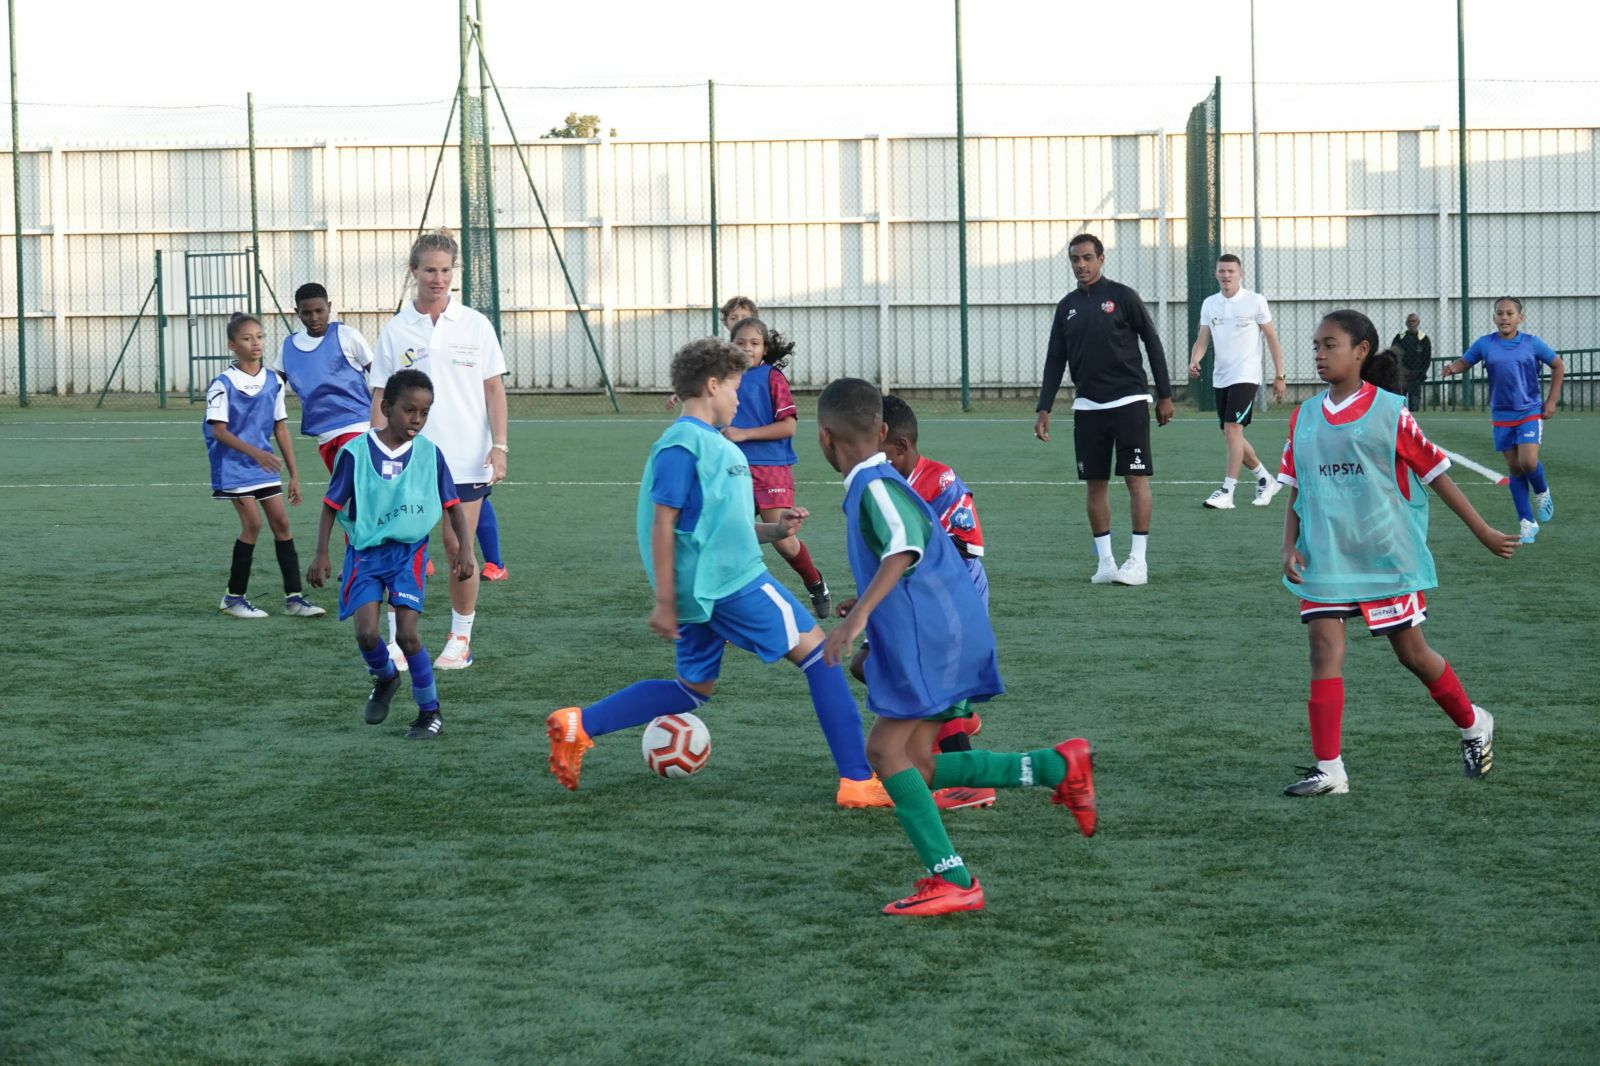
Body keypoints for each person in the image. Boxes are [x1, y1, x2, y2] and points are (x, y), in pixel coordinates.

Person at [544, 337, 890, 809]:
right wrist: (665, 600)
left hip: (706, 588)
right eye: (734, 387)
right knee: (822, 659)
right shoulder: (683, 444)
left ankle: (579, 724)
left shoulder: (709, 444)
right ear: (711, 385)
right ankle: (856, 780)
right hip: (730, 584)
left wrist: (772, 530)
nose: (739, 399)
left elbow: (710, 527)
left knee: (692, 690)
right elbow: (663, 522)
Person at [817, 377, 1096, 916]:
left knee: (882, 753)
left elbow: (904, 546)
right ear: (880, 431)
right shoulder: (883, 480)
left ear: (826, 439)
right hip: (947, 629)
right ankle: (1053, 767)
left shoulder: (872, 486)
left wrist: (860, 620)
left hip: (932, 638)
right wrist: (868, 600)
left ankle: (955, 880)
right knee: (916, 764)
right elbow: (907, 557)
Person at [1278, 310, 1518, 798]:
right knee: (1323, 650)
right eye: (1316, 346)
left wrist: (1483, 531)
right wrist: (1288, 544)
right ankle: (1331, 771)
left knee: (1413, 654)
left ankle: (1474, 723)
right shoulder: (1303, 416)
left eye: (1330, 345)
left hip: (1384, 558)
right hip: (1325, 558)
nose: (1319, 354)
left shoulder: (1390, 411)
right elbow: (1297, 487)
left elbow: (1437, 474)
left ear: (1361, 351)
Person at [306, 370, 474, 740]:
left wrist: (465, 548)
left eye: (424, 412)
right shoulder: (355, 452)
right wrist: (321, 553)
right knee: (367, 635)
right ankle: (385, 678)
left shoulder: (430, 454)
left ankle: (430, 712)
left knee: (408, 636)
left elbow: (452, 504)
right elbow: (331, 504)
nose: (416, 419)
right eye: (409, 410)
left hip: (408, 555)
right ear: (386, 408)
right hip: (364, 555)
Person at [371, 230, 508, 670]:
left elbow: (494, 390)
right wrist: (378, 452)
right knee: (402, 547)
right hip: (408, 458)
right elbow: (380, 398)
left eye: (446, 270)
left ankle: (460, 638)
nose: (438, 278)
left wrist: (499, 446)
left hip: (466, 456)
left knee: (456, 548)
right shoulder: (395, 330)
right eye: (429, 269)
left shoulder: (475, 324)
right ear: (413, 271)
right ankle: (398, 641)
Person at [860, 393, 994, 812]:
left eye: (875, 450)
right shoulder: (885, 485)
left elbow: (962, 551)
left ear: (899, 445)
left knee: (931, 679)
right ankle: (955, 717)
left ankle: (971, 780)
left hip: (955, 601)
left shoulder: (940, 482)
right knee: (864, 664)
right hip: (915, 601)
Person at [1034, 233, 1173, 586]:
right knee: (1095, 484)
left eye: (1086, 258)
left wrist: (1165, 394)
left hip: (1129, 401)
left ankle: (1138, 563)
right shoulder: (1066, 306)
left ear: (1101, 259)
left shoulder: (1123, 297)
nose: (1080, 265)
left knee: (1135, 479)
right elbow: (1055, 358)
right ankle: (1107, 563)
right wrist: (1044, 407)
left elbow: (1152, 341)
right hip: (1087, 406)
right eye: (1074, 260)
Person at [203, 312, 324, 620]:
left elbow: (280, 427)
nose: (255, 343)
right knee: (253, 525)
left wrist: (295, 475)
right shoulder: (223, 384)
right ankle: (232, 598)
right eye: (246, 338)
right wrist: (257, 454)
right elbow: (218, 430)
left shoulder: (272, 381)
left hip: (263, 467)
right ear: (232, 345)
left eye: (259, 336)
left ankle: (294, 598)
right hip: (233, 467)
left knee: (282, 524)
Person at [725, 317, 831, 617]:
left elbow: (788, 427)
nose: (747, 348)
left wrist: (744, 433)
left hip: (771, 467)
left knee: (783, 541)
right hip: (733, 468)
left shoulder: (772, 378)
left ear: (764, 348)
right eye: (740, 343)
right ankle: (732, 613)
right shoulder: (722, 378)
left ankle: (814, 582)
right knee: (733, 537)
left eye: (754, 343)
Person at [1442, 297, 1564, 544]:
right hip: (1501, 415)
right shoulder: (1485, 344)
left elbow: (1558, 365)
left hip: (1529, 411)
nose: (1504, 318)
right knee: (1515, 469)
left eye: (1510, 313)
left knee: (1528, 462)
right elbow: (1467, 361)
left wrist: (1551, 401)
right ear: (1494, 317)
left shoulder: (1532, 343)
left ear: (1521, 317)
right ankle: (1527, 522)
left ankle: (1541, 491)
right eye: (1500, 313)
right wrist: (1453, 368)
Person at [1188, 253, 1287, 510]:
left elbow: (1272, 338)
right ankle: (1265, 478)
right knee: (1231, 434)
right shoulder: (1210, 304)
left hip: (1246, 375)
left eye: (1231, 271)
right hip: (1221, 377)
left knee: (1233, 429)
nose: (1226, 275)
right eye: (1222, 271)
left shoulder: (1255, 301)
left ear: (1240, 274)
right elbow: (1203, 338)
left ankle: (1227, 492)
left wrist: (1280, 375)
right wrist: (1195, 359)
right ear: (1216, 274)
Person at [1391, 312, 1433, 411]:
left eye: (1414, 321)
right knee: (1399, 402)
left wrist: (1422, 372)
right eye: (1409, 321)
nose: (1411, 323)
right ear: (1406, 323)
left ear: (1418, 322)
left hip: (1416, 375)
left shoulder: (1423, 339)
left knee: (1415, 402)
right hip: (1401, 375)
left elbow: (1427, 358)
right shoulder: (1399, 337)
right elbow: (1393, 355)